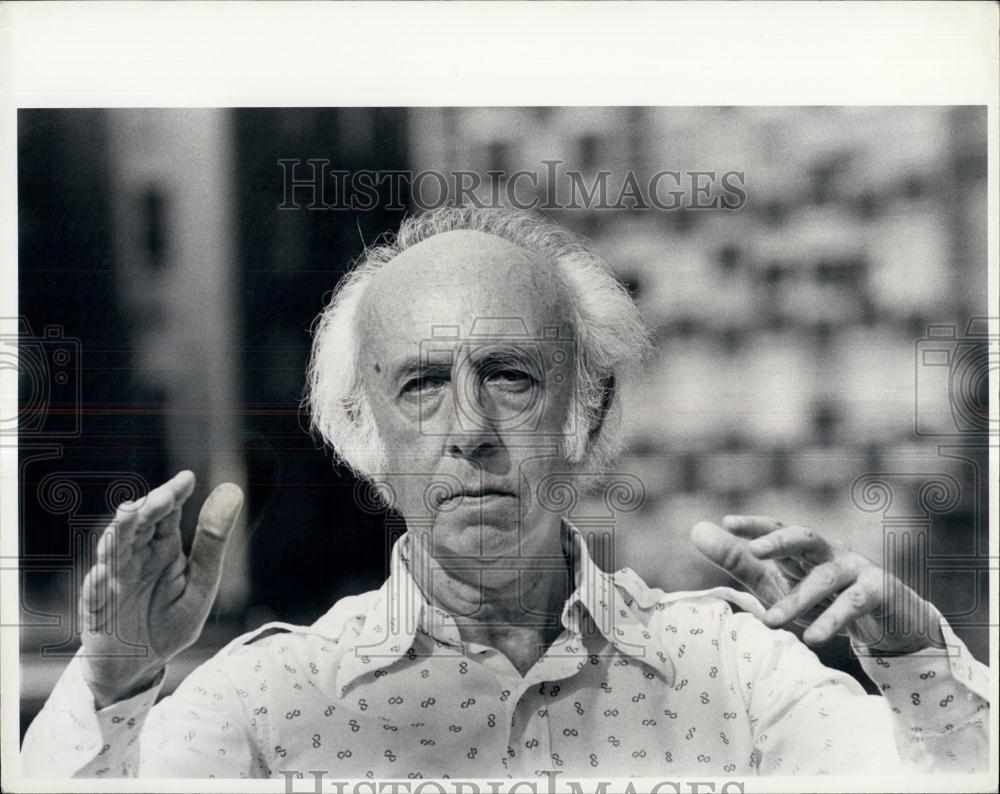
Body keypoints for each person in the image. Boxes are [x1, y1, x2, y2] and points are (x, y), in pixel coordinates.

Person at [21, 207, 989, 779]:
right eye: (422, 383)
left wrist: (916, 662)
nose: (471, 427)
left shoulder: (732, 671)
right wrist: (115, 682)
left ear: (587, 406)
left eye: (511, 374)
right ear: (365, 429)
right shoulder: (269, 698)